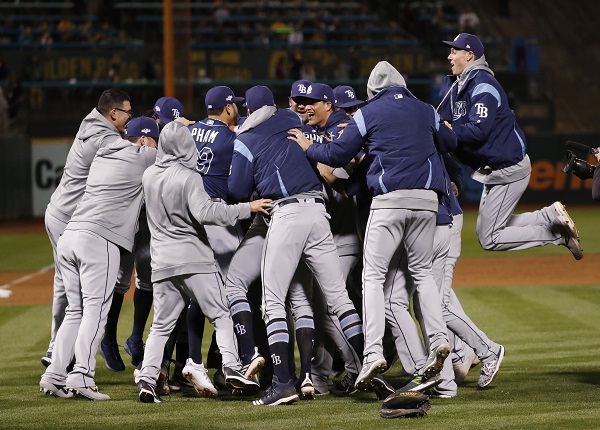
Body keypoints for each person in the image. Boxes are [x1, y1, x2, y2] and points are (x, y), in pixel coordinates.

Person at [291, 61, 456, 391]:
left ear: (373, 90)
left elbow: (338, 154)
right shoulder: (425, 109)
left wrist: (310, 149)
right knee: (422, 274)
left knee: (373, 277)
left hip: (389, 200)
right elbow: (450, 143)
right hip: (427, 199)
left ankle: (372, 354)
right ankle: (438, 340)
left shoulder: (370, 112)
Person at [228, 86, 365, 406]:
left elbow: (236, 189)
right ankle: (368, 366)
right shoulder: (299, 127)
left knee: (273, 301)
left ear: (248, 110)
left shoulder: (247, 139)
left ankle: (282, 383)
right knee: (338, 299)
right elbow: (340, 165)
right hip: (319, 215)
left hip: (285, 214)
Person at [135, 120, 271, 403]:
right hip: (193, 259)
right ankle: (232, 366)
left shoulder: (149, 175)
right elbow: (207, 213)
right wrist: (248, 208)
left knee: (161, 325)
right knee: (221, 314)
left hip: (161, 262)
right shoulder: (189, 177)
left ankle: (147, 379)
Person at [39, 114, 157, 400]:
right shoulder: (144, 156)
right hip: (98, 240)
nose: (156, 144)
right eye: (154, 138)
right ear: (143, 139)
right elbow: (178, 154)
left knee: (75, 310)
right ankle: (82, 374)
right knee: (95, 311)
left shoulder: (104, 150)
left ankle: (54, 375)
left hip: (71, 236)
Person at [438, 33, 582, 259]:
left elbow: (477, 131)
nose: (450, 56)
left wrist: (448, 130)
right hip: (494, 168)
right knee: (488, 229)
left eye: (454, 51)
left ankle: (556, 234)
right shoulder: (456, 86)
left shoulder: (484, 86)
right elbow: (441, 122)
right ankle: (548, 216)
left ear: (469, 55)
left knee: (490, 237)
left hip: (508, 167)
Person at [41, 89, 133, 369]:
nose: (131, 116)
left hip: (59, 211)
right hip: (70, 218)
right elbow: (135, 154)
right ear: (113, 113)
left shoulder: (91, 122)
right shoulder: (103, 138)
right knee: (77, 293)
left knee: (64, 285)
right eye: (128, 111)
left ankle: (55, 349)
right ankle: (65, 355)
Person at [184, 85, 257, 397]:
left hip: (188, 217)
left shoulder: (188, 133)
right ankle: (238, 359)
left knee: (196, 294)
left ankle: (193, 361)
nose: (237, 109)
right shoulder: (232, 137)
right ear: (228, 108)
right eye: (235, 105)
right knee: (234, 289)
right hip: (218, 215)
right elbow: (240, 185)